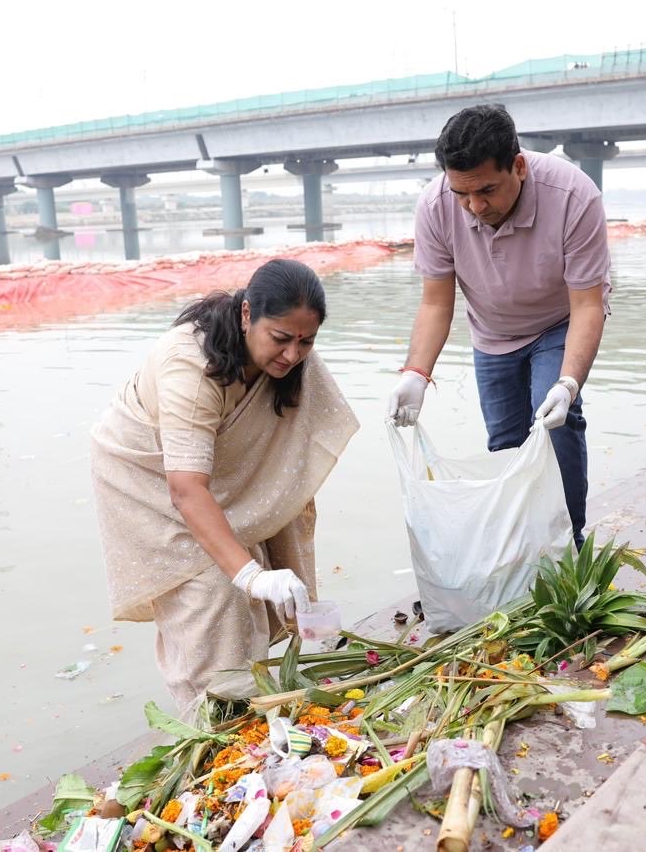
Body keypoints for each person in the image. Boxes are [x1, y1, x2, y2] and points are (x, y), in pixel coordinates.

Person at [90, 259, 358, 711]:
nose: (292, 355)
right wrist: (250, 575)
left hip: (216, 471)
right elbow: (187, 490)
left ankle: (262, 689)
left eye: (306, 341)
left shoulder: (290, 354)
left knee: (287, 521)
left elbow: (299, 446)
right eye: (280, 339)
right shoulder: (191, 369)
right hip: (150, 477)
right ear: (248, 314)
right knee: (214, 590)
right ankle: (211, 717)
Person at [388, 104, 610, 547]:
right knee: (507, 444)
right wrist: (416, 373)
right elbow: (436, 302)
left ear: (519, 166)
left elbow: (587, 304)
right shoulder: (435, 206)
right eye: (462, 194)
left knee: (554, 427)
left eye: (487, 190)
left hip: (558, 323)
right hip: (491, 333)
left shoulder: (573, 196)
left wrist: (568, 384)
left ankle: (570, 545)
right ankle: (522, 550)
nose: (474, 206)